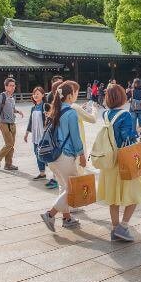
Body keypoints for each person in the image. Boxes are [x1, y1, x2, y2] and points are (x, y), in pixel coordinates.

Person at [97, 84, 141, 242]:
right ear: (122, 97)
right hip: (122, 161)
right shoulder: (125, 115)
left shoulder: (106, 114)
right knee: (136, 194)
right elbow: (128, 137)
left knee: (113, 198)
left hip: (109, 161)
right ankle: (124, 226)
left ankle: (114, 229)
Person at [40, 80, 85, 232]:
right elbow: (75, 137)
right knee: (72, 189)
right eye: (75, 92)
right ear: (70, 95)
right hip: (65, 155)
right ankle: (50, 214)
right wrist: (82, 155)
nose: (76, 95)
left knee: (63, 187)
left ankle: (67, 218)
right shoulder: (71, 112)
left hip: (53, 156)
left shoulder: (55, 110)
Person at [26, 87, 57, 190]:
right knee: (37, 153)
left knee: (46, 154)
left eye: (38, 94)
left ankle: (55, 176)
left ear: (43, 95)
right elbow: (30, 121)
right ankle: (42, 173)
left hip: (44, 135)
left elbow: (53, 117)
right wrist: (26, 133)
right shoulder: (33, 108)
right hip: (35, 135)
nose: (35, 95)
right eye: (34, 94)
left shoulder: (46, 106)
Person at [0, 77, 25, 170]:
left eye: (14, 86)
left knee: (11, 145)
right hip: (4, 123)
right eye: (10, 86)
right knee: (9, 143)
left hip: (12, 123)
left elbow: (12, 109)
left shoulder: (12, 98)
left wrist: (18, 111)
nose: (13, 87)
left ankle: (8, 164)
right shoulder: (1, 96)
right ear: (6, 87)